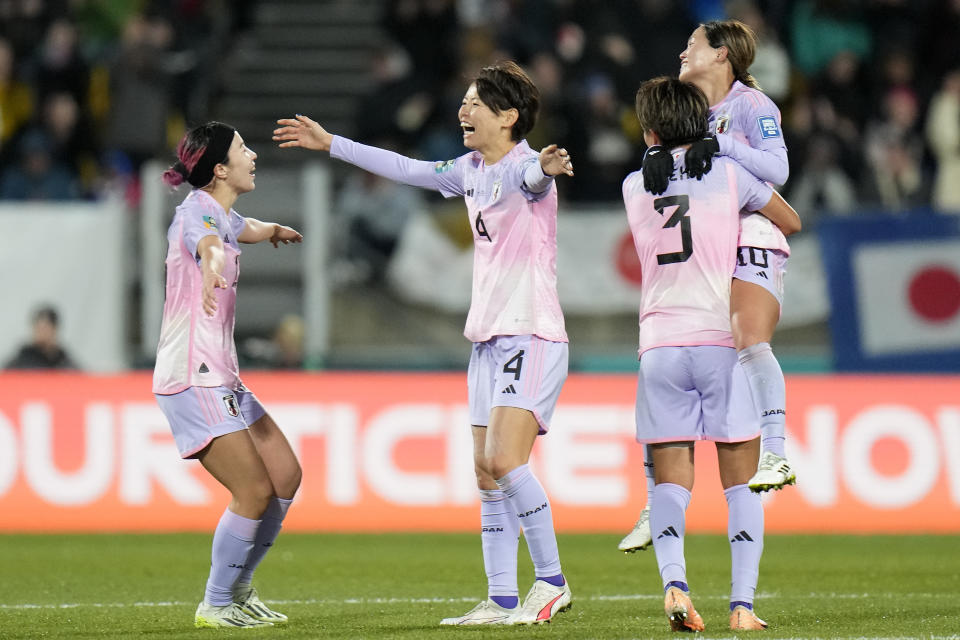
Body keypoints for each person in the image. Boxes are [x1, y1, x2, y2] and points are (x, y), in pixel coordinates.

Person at [274, 60, 575, 626]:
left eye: (475, 104)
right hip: (488, 337)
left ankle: (553, 581)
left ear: (508, 116)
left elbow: (536, 177)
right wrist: (331, 143)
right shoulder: (468, 170)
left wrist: (547, 167)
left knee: (505, 460)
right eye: (462, 101)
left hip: (529, 331)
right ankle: (501, 599)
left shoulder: (521, 168)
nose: (463, 111)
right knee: (486, 474)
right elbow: (405, 167)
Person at [625, 76, 800, 632]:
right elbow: (789, 219)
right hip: (720, 342)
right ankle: (742, 607)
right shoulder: (729, 174)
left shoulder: (634, 184)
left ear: (649, 130)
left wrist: (658, 158)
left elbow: (659, 178)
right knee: (741, 483)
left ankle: (675, 585)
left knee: (669, 485)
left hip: (659, 345)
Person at [153, 121, 303, 629]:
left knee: (285, 475)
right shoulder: (196, 216)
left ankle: (237, 592)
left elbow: (242, 227)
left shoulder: (221, 211)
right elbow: (210, 243)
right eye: (244, 149)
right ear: (220, 169)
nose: (253, 155)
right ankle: (217, 602)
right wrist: (212, 264)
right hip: (192, 376)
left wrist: (272, 230)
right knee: (254, 490)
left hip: (222, 376)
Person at [5, 305, 76, 369]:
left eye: (45, 328)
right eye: (38, 328)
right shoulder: (20, 363)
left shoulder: (65, 363)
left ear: (55, 329)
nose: (40, 333)